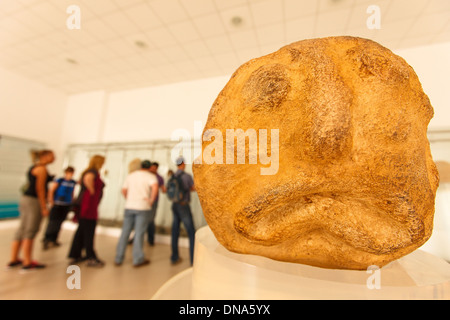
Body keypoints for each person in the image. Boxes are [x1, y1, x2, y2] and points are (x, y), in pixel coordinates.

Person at [7, 149, 55, 271]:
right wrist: (44, 207)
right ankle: (27, 262)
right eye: (52, 156)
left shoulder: (35, 167)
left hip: (26, 199)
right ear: (45, 156)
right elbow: (40, 189)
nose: (54, 158)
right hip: (34, 201)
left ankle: (14, 259)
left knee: (22, 229)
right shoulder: (42, 169)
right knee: (30, 230)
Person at [115, 160, 158, 267]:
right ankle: (138, 259)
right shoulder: (150, 176)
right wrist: (151, 200)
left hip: (129, 206)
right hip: (143, 207)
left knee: (125, 232)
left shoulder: (131, 175)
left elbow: (124, 190)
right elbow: (155, 188)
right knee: (139, 233)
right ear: (149, 167)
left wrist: (129, 198)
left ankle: (118, 258)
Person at [68, 155, 105, 267]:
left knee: (81, 230)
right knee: (89, 230)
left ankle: (76, 254)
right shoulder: (92, 172)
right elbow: (87, 179)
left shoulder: (89, 171)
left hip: (87, 204)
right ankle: (91, 257)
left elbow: (81, 181)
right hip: (88, 205)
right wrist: (92, 190)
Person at [42, 166, 76, 249]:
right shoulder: (60, 180)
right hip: (57, 204)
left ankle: (54, 239)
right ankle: (47, 239)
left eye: (71, 173)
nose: (70, 174)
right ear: (66, 173)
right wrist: (51, 202)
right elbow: (51, 190)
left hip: (66, 204)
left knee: (60, 222)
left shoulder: (73, 182)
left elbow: (72, 193)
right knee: (52, 222)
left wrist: (72, 202)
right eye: (69, 172)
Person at [170, 156, 196, 266]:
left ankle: (174, 257)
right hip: (184, 206)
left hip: (174, 205)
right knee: (191, 233)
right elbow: (193, 188)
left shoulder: (173, 176)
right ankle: (193, 260)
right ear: (183, 164)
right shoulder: (187, 176)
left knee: (175, 231)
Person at [146, 162, 166, 246]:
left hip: (154, 201)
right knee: (143, 219)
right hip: (145, 200)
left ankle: (151, 239)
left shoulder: (159, 178)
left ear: (157, 168)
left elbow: (163, 189)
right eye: (152, 168)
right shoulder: (146, 175)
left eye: (154, 168)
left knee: (150, 220)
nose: (152, 169)